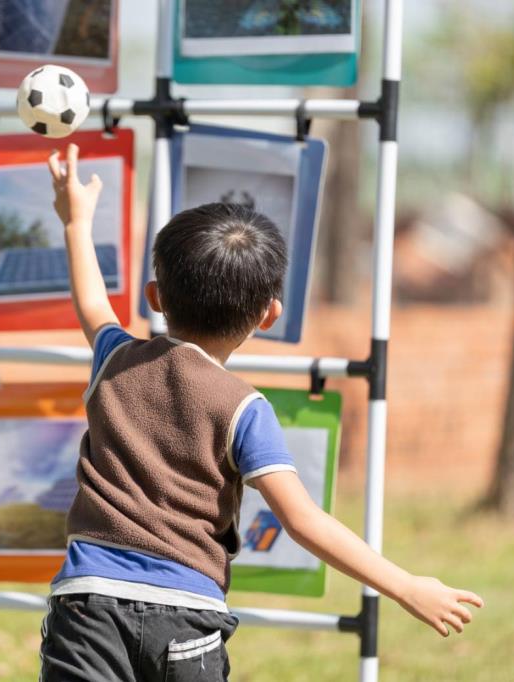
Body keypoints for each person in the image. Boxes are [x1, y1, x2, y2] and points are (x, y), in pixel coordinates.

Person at [38, 144, 484, 681]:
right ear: (269, 314)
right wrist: (407, 586)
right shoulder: (244, 408)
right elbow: (303, 521)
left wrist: (77, 220)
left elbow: (91, 303)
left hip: (86, 605)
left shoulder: (115, 360)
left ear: (155, 296)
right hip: (185, 618)